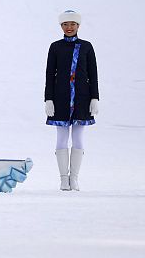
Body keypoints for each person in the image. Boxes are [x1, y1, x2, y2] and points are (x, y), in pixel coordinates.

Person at [44, 10, 99, 191]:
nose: (69, 28)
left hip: (82, 98)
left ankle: (74, 178)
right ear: (61, 26)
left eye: (73, 24)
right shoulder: (55, 47)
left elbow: (93, 75)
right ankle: (63, 178)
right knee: (61, 138)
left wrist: (95, 98)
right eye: (65, 24)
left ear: (78, 26)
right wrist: (48, 99)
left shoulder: (86, 47)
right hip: (61, 98)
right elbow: (50, 75)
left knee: (78, 137)